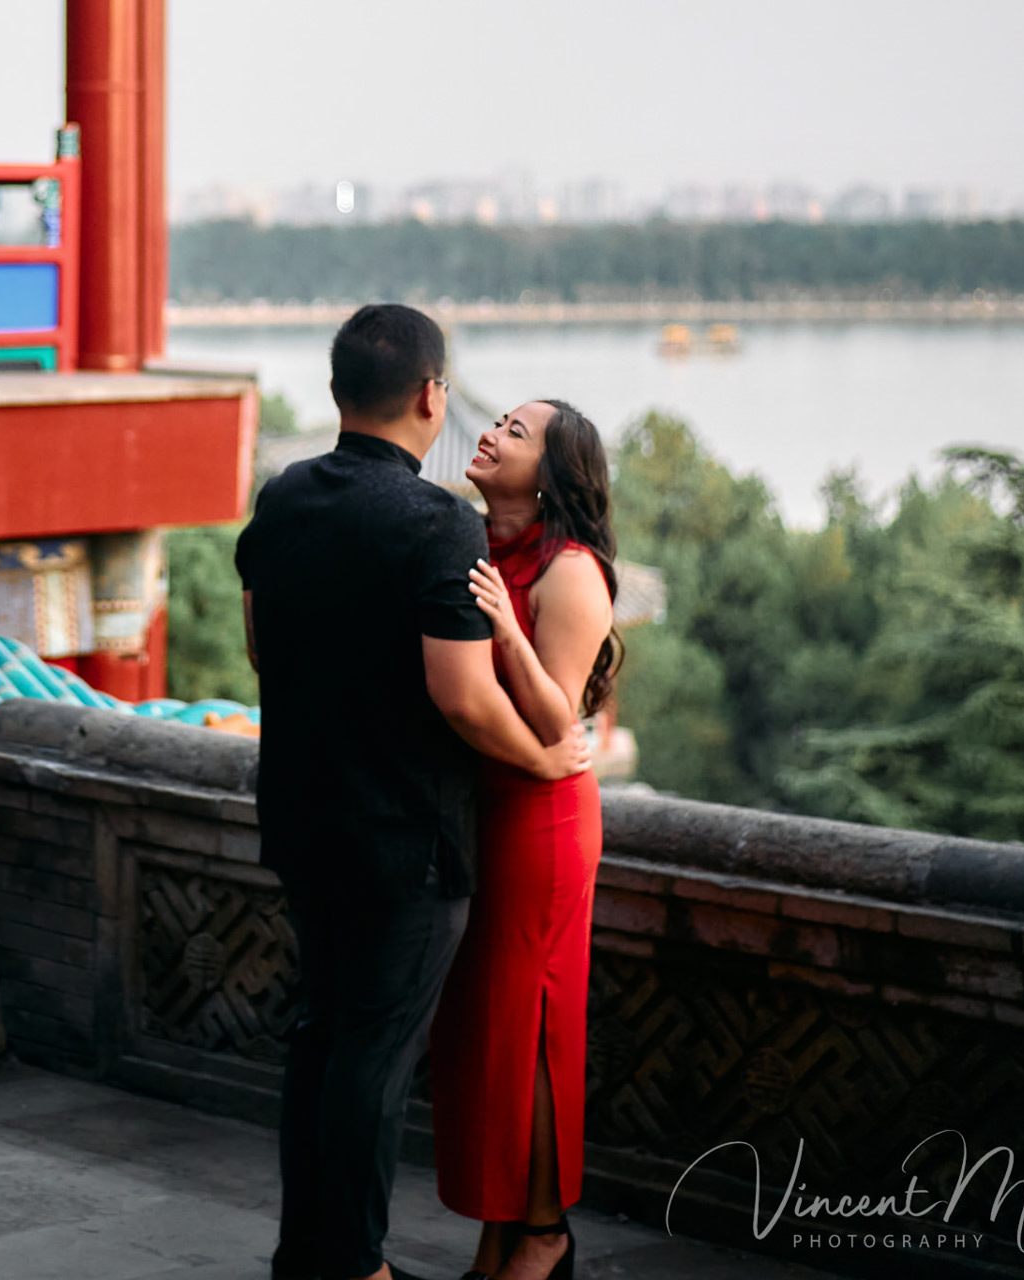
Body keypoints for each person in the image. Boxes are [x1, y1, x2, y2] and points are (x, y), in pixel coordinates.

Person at [235, 306, 592, 1280]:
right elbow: (463, 695)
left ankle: (304, 1251)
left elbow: (262, 645)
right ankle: (356, 1262)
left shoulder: (284, 495)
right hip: (408, 839)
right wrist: (544, 756)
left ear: (338, 388)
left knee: (319, 1035)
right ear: (432, 394)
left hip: (303, 818)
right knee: (373, 1057)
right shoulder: (437, 520)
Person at [429, 399, 618, 1280]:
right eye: (496, 419)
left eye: (517, 431)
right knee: (488, 1032)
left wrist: (507, 628)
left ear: (550, 470)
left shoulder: (569, 569)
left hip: (542, 818)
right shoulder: (467, 544)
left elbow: (558, 723)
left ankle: (543, 1233)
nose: (493, 433)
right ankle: (496, 1238)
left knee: (534, 1026)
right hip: (481, 811)